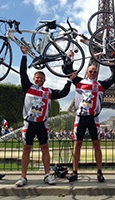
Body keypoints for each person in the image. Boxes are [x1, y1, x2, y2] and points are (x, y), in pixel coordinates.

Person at [15, 46, 76, 187]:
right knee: (26, 149)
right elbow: (22, 73)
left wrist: (69, 80)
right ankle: (23, 177)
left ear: (44, 79)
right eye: (37, 77)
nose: (39, 79)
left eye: (41, 78)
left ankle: (47, 174)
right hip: (29, 123)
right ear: (34, 78)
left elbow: (63, 93)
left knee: (45, 148)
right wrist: (24, 56)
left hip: (42, 123)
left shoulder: (48, 91)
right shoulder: (28, 87)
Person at [65, 63, 115, 182]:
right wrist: (69, 58)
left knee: (96, 145)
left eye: (95, 71)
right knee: (77, 144)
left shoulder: (101, 85)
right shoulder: (79, 81)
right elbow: (67, 71)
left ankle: (99, 172)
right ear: (87, 72)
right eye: (90, 71)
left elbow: (114, 77)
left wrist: (112, 63)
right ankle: (75, 171)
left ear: (97, 73)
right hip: (81, 117)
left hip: (93, 117)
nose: (93, 73)